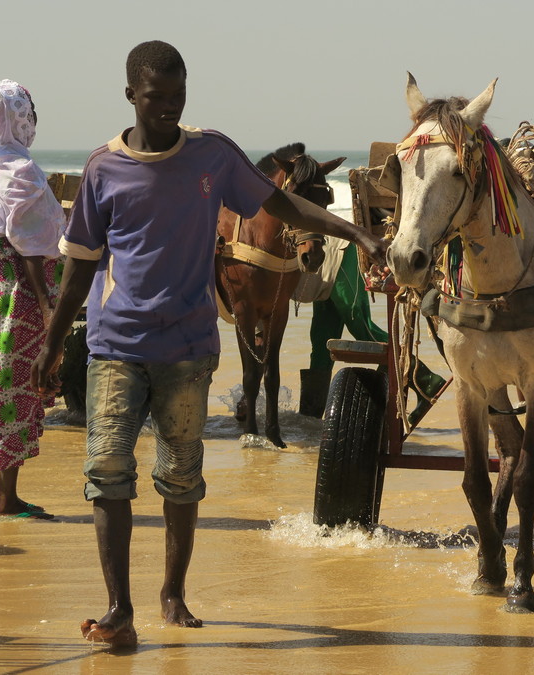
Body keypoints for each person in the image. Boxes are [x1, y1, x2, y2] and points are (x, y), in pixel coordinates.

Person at [29, 41, 383, 649]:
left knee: (181, 476)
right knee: (107, 472)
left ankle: (173, 593)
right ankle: (119, 608)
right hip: (115, 345)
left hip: (189, 348)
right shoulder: (102, 169)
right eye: (156, 97)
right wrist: (53, 344)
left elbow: (281, 202)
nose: (169, 106)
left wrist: (356, 232)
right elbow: (80, 265)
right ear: (131, 95)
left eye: (179, 94)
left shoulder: (213, 155)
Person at [0, 80, 62, 520]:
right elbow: (29, 243)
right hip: (17, 296)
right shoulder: (21, 170)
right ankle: (5, 499)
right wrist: (48, 308)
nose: (33, 121)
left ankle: (6, 496)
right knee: (14, 389)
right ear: (16, 119)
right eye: (28, 113)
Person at [297, 209, 446, 424]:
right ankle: (309, 420)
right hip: (322, 276)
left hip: (339, 256)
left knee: (362, 329)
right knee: (320, 342)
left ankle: (427, 381)